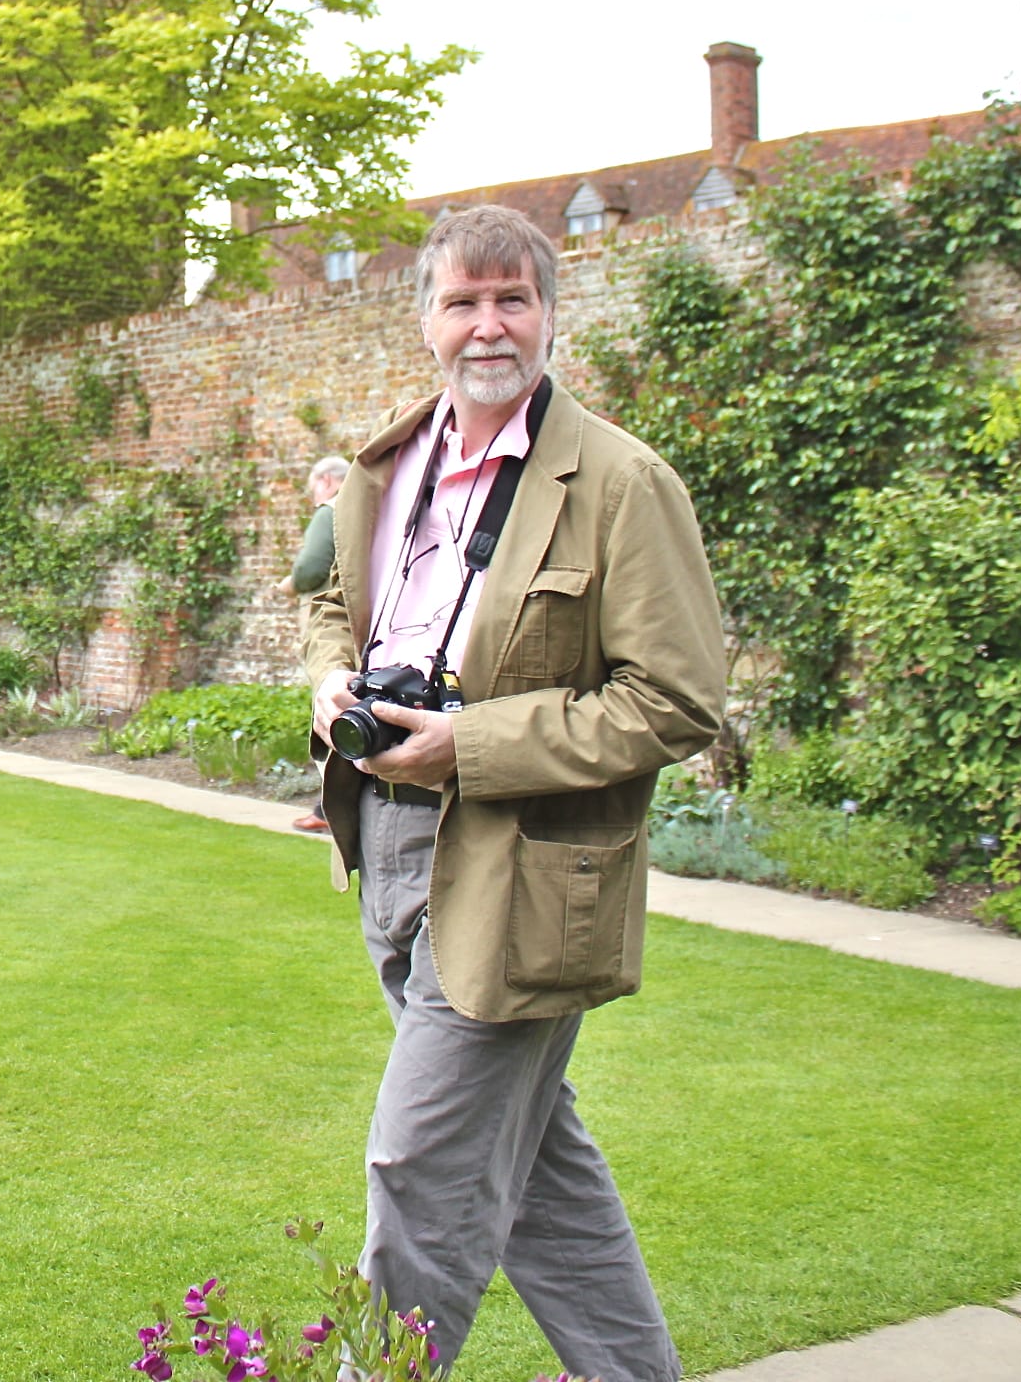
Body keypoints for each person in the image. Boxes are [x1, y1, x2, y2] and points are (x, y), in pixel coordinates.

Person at [301, 204, 722, 1382]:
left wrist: (470, 745)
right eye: (463, 302)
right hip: (389, 847)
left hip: (524, 876)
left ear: (547, 315)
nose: (488, 325)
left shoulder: (623, 482)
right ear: (426, 322)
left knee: (422, 1165)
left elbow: (676, 702)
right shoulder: (387, 466)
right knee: (537, 1173)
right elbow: (330, 603)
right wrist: (331, 679)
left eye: (512, 300)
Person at [286, 455, 352, 834]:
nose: (313, 494)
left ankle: (330, 808)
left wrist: (291, 583)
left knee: (328, 706)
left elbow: (311, 567)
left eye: (313, 486)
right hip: (361, 625)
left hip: (331, 628)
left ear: (326, 480)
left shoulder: (330, 511)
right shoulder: (368, 503)